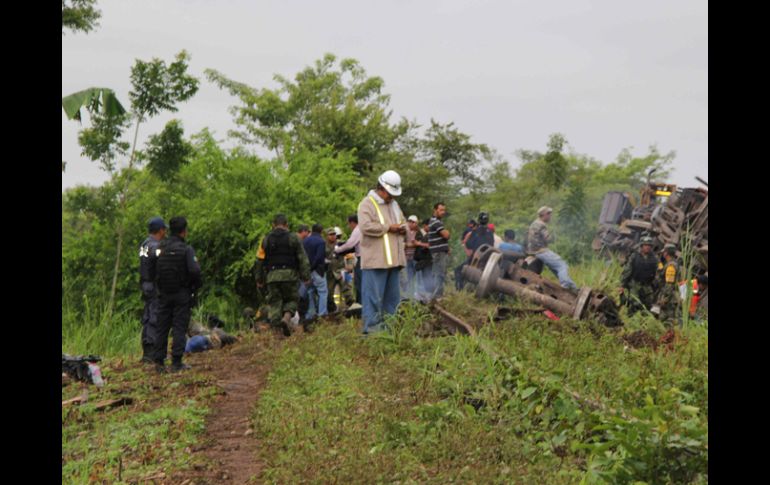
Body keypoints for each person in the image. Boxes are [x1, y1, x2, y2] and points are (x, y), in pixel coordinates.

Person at [358, 170, 407, 334]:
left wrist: (403, 228)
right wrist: (388, 228)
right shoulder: (367, 203)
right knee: (373, 299)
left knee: (392, 300)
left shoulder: (394, 205)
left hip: (393, 261)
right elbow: (365, 226)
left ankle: (390, 331)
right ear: (381, 188)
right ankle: (372, 332)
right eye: (389, 193)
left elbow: (403, 222)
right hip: (375, 262)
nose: (391, 197)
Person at [152, 217, 202, 373]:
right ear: (184, 231)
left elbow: (153, 268)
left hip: (164, 293)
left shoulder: (160, 248)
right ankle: (176, 362)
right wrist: (194, 288)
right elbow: (195, 271)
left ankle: (159, 362)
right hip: (181, 293)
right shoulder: (186, 249)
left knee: (162, 327)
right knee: (179, 327)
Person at [256, 214, 311, 335]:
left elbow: (259, 261)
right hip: (290, 275)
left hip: (272, 277)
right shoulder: (294, 238)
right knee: (292, 299)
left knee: (275, 302)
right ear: (287, 225)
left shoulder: (265, 240)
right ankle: (286, 318)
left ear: (273, 225)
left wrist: (259, 279)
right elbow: (303, 258)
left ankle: (276, 331)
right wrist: (306, 276)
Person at [527, 206, 577, 290]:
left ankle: (573, 287)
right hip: (542, 251)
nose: (550, 216)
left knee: (557, 269)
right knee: (562, 265)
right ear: (543, 215)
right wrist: (553, 235)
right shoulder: (541, 225)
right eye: (548, 214)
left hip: (535, 251)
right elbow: (548, 239)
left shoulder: (534, 223)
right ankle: (565, 286)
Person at [138, 216, 167, 363]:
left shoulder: (144, 245)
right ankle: (150, 351)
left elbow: (144, 259)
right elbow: (157, 255)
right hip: (152, 285)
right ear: (160, 230)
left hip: (145, 283)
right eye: (164, 229)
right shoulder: (154, 246)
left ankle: (148, 350)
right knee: (153, 316)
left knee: (148, 314)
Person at [618, 236, 658, 315]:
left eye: (649, 245)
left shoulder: (654, 258)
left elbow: (657, 273)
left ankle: (644, 323)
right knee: (634, 304)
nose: (647, 247)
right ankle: (630, 320)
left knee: (649, 306)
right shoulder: (634, 256)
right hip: (635, 284)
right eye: (645, 245)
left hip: (647, 285)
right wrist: (622, 285)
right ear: (642, 246)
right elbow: (627, 271)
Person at [326, 227, 355, 312]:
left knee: (347, 290)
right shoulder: (323, 245)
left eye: (334, 234)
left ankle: (352, 307)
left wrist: (350, 265)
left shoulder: (341, 244)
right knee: (329, 293)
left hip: (341, 271)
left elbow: (350, 256)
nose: (333, 236)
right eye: (330, 234)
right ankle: (332, 310)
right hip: (330, 273)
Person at [335, 215, 362, 304]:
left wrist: (337, 250)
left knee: (359, 283)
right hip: (359, 259)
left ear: (352, 223)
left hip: (361, 259)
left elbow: (350, 244)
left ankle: (360, 303)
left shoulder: (357, 230)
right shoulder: (361, 229)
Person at [303, 223, 329, 320]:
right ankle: (322, 314)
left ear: (312, 230)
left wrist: (307, 269)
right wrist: (313, 267)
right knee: (322, 292)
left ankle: (310, 314)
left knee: (310, 292)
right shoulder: (321, 241)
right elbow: (319, 258)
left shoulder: (305, 241)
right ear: (321, 231)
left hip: (307, 272)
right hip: (318, 270)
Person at [654, 243, 681, 327]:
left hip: (669, 298)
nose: (663, 254)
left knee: (666, 320)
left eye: (664, 252)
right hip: (668, 296)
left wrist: (664, 299)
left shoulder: (671, 266)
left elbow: (669, 284)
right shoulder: (670, 264)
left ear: (666, 253)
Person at [428, 202, 451, 298]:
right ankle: (438, 295)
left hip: (439, 251)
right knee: (439, 273)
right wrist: (447, 233)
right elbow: (446, 235)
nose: (443, 212)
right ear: (435, 210)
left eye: (444, 210)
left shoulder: (436, 221)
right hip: (438, 252)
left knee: (439, 272)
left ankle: (437, 294)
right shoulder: (435, 222)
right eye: (441, 210)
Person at [413, 218, 433, 300]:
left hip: (427, 259)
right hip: (420, 259)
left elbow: (429, 245)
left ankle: (427, 294)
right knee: (420, 277)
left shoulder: (430, 235)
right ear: (425, 225)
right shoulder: (419, 233)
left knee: (426, 276)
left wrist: (419, 244)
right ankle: (420, 294)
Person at [401, 215, 420, 298]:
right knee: (408, 276)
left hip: (416, 257)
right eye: (412, 222)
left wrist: (414, 244)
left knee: (417, 276)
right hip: (407, 257)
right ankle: (409, 293)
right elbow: (402, 244)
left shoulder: (418, 232)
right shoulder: (405, 231)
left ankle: (416, 293)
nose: (414, 224)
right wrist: (410, 245)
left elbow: (419, 243)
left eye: (415, 223)